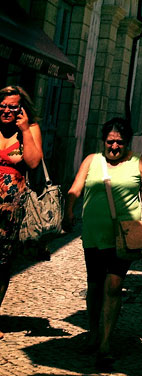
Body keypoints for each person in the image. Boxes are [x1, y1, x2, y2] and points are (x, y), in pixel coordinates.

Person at [63, 118, 142, 372]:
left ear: (127, 142)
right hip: (94, 236)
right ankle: (93, 333)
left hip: (125, 237)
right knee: (94, 287)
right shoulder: (91, 161)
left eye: (119, 142)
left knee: (114, 286)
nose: (115, 147)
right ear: (103, 141)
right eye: (110, 142)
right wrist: (69, 210)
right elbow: (75, 188)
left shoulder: (138, 163)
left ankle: (105, 344)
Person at [0, 85, 42, 336]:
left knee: (2, 263)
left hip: (10, 210)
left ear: (22, 108)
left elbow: (34, 162)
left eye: (12, 106)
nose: (6, 111)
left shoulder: (29, 129)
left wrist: (25, 129)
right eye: (3, 105)